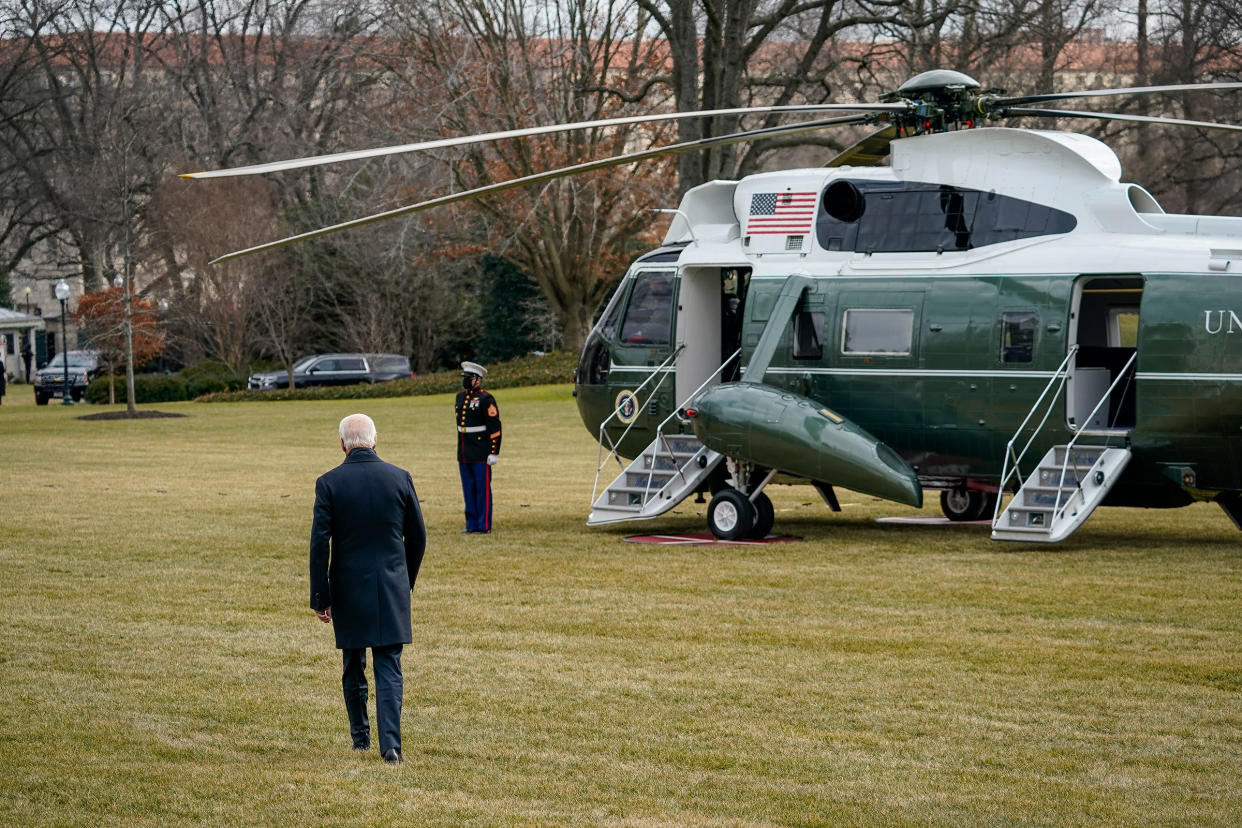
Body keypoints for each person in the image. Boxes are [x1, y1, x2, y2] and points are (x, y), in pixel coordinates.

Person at [309, 413, 426, 764]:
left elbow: (320, 544)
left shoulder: (329, 482)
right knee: (389, 665)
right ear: (376, 441)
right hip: (391, 584)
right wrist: (406, 580)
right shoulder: (399, 478)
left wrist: (321, 595)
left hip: (348, 586)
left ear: (342, 444)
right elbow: (417, 537)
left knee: (353, 663)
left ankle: (360, 737)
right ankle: (391, 745)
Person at [455, 361, 502, 534]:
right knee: (468, 489)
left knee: (482, 490)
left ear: (478, 379)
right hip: (465, 451)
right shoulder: (460, 397)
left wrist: (493, 452)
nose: (466, 381)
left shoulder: (485, 399)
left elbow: (495, 427)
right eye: (465, 378)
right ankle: (471, 524)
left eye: (469, 378)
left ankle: (483, 525)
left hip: (481, 451)